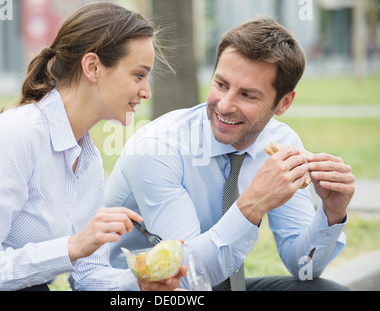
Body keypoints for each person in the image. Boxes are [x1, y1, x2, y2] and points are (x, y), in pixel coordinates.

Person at [0, 2, 185, 291]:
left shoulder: (87, 159)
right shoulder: (15, 136)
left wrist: (141, 283)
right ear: (93, 67)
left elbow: (90, 275)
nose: (146, 91)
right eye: (138, 75)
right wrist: (72, 246)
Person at [106, 17, 355, 291]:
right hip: (146, 289)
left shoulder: (282, 143)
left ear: (283, 103)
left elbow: (304, 269)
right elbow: (186, 275)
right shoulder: (156, 148)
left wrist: (332, 214)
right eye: (221, 84)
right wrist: (253, 204)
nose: (224, 106)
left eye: (247, 95)